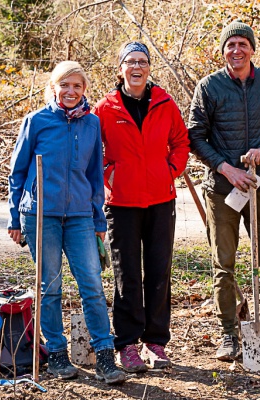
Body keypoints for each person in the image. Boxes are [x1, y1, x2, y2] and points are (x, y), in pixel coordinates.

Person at [187, 20, 260, 362]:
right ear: (222, 51)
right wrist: (226, 168)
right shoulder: (209, 87)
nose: (236, 50)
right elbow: (195, 136)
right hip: (222, 191)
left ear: (252, 48)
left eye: (242, 44)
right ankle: (228, 335)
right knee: (224, 265)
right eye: (230, 45)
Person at [7, 61, 126, 384]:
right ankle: (58, 355)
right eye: (65, 85)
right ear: (54, 87)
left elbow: (93, 175)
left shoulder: (91, 124)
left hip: (79, 218)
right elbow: (17, 172)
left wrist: (98, 216)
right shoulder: (37, 121)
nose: (71, 92)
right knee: (50, 288)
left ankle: (105, 358)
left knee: (92, 285)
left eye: (77, 86)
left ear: (84, 90)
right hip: (39, 215)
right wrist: (14, 215)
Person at [93, 41, 190, 373]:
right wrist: (110, 174)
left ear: (149, 68)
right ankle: (127, 344)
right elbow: (95, 152)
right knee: (127, 274)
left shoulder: (165, 102)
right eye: (130, 62)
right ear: (120, 68)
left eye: (143, 62)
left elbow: (180, 141)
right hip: (121, 203)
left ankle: (156, 342)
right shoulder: (105, 108)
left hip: (161, 200)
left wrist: (170, 170)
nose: (137, 67)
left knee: (159, 271)